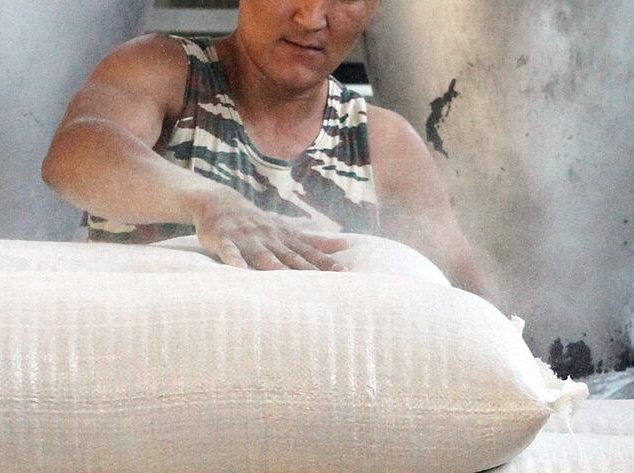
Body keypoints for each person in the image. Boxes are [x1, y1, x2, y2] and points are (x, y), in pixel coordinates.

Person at [42, 0, 489, 294]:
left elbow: (474, 308)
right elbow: (76, 152)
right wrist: (208, 203)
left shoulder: (382, 144)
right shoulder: (164, 72)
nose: (311, 17)